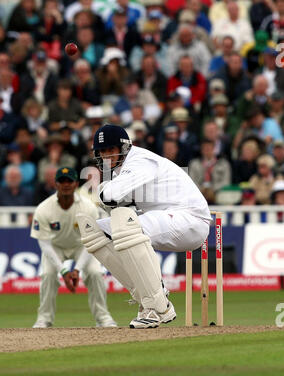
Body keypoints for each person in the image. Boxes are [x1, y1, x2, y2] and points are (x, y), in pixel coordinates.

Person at [75, 124, 212, 329]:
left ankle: (158, 306)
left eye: (110, 150)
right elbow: (114, 203)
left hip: (191, 221)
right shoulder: (119, 170)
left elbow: (109, 196)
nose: (106, 157)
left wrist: (103, 189)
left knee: (125, 223)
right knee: (93, 230)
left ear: (124, 147)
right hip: (165, 219)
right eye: (101, 152)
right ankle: (146, 298)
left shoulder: (140, 160)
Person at [30, 166, 117, 328]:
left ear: (76, 183)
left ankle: (103, 318)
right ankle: (44, 319)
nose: (66, 184)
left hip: (82, 246)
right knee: (48, 274)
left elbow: (91, 240)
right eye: (62, 181)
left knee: (95, 273)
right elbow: (45, 244)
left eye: (69, 181)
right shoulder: (43, 209)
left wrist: (76, 270)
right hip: (55, 247)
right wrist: (63, 271)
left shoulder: (88, 207)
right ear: (56, 184)